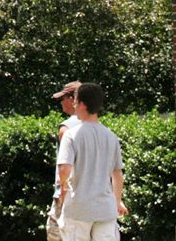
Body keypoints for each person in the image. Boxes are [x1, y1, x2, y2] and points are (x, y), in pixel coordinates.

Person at [55, 82, 128, 241]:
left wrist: (63, 197)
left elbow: (64, 172)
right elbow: (117, 174)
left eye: (75, 100)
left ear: (81, 104)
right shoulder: (111, 136)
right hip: (105, 210)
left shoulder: (71, 135)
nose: (73, 104)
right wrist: (116, 202)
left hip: (79, 209)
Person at [47, 81, 82, 241]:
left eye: (63, 98)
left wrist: (62, 192)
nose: (61, 102)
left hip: (66, 192)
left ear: (72, 99)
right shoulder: (96, 124)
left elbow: (65, 165)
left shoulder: (66, 128)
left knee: (55, 234)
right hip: (86, 192)